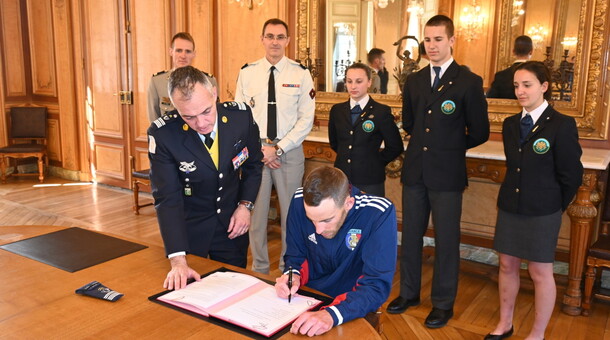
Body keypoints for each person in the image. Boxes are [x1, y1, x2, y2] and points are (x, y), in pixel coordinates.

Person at [386, 15, 490, 329]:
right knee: (412, 236)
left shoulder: (468, 81)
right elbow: (409, 123)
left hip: (447, 173)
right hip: (416, 170)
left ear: (452, 40)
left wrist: (450, 146)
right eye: (427, 40)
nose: (432, 46)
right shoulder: (415, 80)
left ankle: (443, 303)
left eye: (438, 39)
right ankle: (409, 293)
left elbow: (480, 131)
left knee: (446, 240)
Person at [485, 61, 582, 340]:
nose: (520, 91)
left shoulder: (561, 125)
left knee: (540, 272)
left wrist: (553, 206)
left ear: (544, 86)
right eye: (517, 86)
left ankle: (537, 334)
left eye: (527, 85)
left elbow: (571, 175)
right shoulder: (511, 124)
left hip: (543, 210)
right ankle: (505, 324)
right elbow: (515, 166)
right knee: (507, 265)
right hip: (511, 206)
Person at [148, 66, 263, 290]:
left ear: (214, 92)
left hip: (232, 224)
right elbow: (167, 198)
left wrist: (245, 206)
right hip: (190, 229)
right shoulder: (163, 135)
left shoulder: (240, 118)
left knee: (234, 288)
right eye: (188, 117)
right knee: (191, 294)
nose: (201, 124)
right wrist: (177, 260)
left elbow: (253, 165)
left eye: (206, 111)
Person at [274, 166, 397, 336]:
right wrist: (292, 276)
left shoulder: (378, 213)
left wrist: (331, 315)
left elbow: (376, 285)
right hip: (307, 300)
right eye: (312, 220)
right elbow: (296, 255)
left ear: (348, 203)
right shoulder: (299, 199)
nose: (318, 229)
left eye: (326, 220)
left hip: (355, 304)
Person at [235, 18, 316, 275]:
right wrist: (261, 151)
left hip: (289, 154)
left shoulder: (301, 74)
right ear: (262, 39)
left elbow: (306, 120)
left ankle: (287, 268)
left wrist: (278, 148)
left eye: (280, 37)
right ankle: (259, 269)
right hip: (256, 153)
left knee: (291, 216)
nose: (275, 42)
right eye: (270, 36)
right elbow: (240, 117)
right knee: (256, 216)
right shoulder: (247, 73)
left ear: (287, 41)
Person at [328, 63, 403, 196]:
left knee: (370, 216)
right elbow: (335, 143)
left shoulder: (381, 111)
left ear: (369, 82)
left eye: (359, 81)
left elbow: (395, 146)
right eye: (349, 81)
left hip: (370, 179)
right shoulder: (337, 110)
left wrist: (375, 161)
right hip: (342, 178)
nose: (353, 86)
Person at [147, 32, 217, 122]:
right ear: (171, 51)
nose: (183, 56)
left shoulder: (209, 81)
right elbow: (154, 120)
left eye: (188, 51)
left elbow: (213, 116)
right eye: (179, 50)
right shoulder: (157, 82)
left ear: (194, 54)